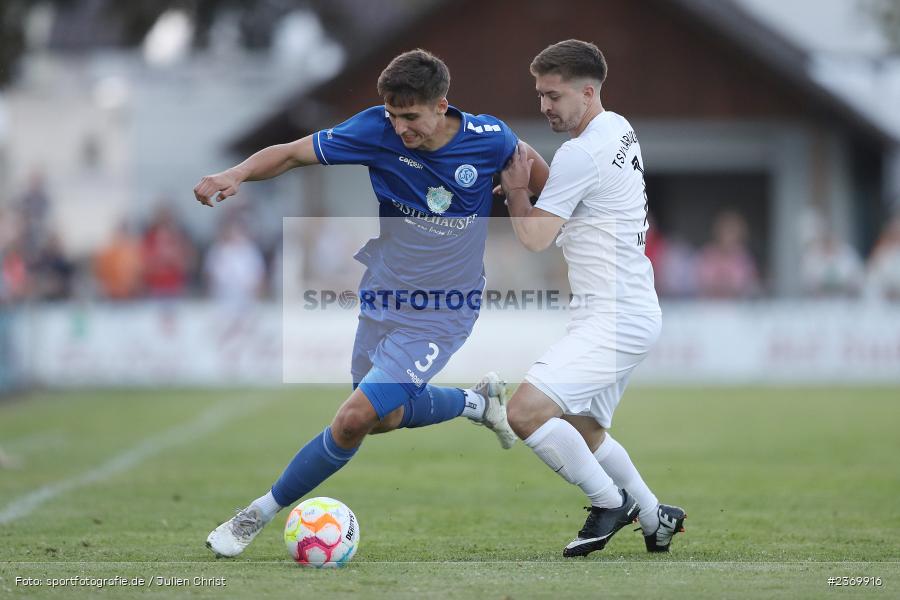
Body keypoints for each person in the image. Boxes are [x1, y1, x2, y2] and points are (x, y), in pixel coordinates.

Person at [194, 49, 549, 558]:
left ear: (441, 105)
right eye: (393, 115)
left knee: (353, 418)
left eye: (411, 117)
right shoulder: (374, 129)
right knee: (381, 417)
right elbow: (292, 152)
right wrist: (237, 174)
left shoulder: (492, 141)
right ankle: (476, 403)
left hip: (444, 309)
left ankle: (256, 514)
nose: (401, 127)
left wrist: (518, 194)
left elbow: (549, 193)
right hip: (383, 294)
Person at [499, 40, 685, 557]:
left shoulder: (580, 153)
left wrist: (516, 190)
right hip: (627, 308)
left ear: (586, 91)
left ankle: (610, 502)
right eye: (539, 95)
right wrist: (533, 183)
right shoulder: (617, 127)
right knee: (583, 427)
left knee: (525, 413)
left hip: (615, 316)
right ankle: (654, 516)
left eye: (553, 96)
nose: (544, 106)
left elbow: (536, 239)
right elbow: (579, 195)